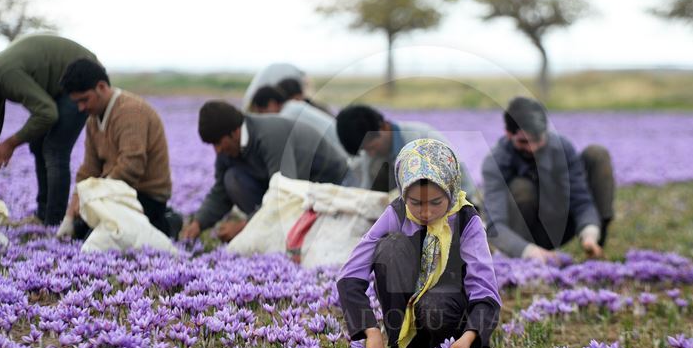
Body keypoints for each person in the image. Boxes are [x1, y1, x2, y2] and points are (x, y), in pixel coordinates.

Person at [337, 138, 500, 348]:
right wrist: (370, 330)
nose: (425, 212)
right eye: (415, 202)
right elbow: (351, 272)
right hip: (404, 310)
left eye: (436, 202)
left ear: (450, 189)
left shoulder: (466, 220)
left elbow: (484, 288)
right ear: (404, 193)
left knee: (434, 305)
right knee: (390, 247)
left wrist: (469, 337)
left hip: (449, 311)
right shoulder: (398, 212)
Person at [0, 35, 98, 225]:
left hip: (84, 78)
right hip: (59, 87)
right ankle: (44, 215)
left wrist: (10, 143)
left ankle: (54, 221)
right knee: (37, 143)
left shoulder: (6, 75)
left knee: (54, 148)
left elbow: (47, 114)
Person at [180, 100, 348, 242]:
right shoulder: (227, 150)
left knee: (285, 204)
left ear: (235, 132)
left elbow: (286, 194)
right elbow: (220, 192)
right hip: (292, 186)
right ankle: (269, 226)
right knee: (231, 178)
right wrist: (199, 222)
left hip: (328, 182)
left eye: (218, 143)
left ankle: (274, 230)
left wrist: (245, 227)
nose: (216, 151)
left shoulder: (270, 136)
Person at [481, 97, 614, 262]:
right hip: (523, 234)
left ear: (545, 131)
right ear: (508, 134)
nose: (532, 148)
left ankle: (595, 249)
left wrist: (589, 234)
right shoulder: (495, 161)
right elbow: (495, 226)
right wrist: (527, 251)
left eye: (537, 140)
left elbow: (581, 200)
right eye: (524, 141)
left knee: (597, 154)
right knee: (521, 187)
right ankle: (525, 260)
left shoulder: (562, 147)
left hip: (559, 221)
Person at [59, 58, 180, 238]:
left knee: (101, 238)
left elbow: (131, 167)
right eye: (77, 102)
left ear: (101, 87)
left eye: (85, 100)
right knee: (79, 233)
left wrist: (93, 196)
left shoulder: (130, 112)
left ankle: (168, 223)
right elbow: (88, 169)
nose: (81, 107)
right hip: (113, 192)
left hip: (143, 194)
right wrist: (70, 214)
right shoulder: (93, 120)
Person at [336, 104, 478, 200]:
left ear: (384, 127)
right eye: (365, 150)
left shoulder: (421, 141)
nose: (370, 154)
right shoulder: (371, 154)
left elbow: (446, 191)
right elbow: (366, 195)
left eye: (372, 147)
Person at [250, 85, 348, 160]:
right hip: (343, 149)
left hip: (342, 155)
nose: (263, 117)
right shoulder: (293, 106)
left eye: (262, 111)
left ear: (272, 104)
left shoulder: (287, 114)